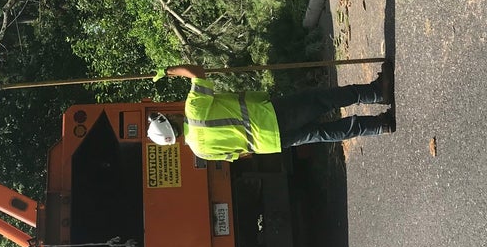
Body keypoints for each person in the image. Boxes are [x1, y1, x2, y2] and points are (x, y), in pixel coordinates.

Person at [147, 62, 395, 161]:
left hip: (270, 143)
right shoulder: (193, 109)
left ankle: (379, 125)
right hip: (271, 116)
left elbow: (241, 156)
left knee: (324, 132)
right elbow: (198, 73)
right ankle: (376, 92)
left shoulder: (201, 152)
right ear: (169, 119)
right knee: (323, 100)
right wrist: (168, 71)